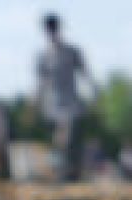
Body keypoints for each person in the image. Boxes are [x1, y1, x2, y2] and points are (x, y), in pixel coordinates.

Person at [34, 12, 98, 182]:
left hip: (71, 103)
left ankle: (70, 171)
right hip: (52, 104)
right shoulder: (43, 56)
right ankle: (61, 171)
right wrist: (34, 103)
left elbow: (85, 73)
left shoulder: (71, 51)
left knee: (68, 138)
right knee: (59, 140)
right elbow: (40, 83)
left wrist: (95, 94)